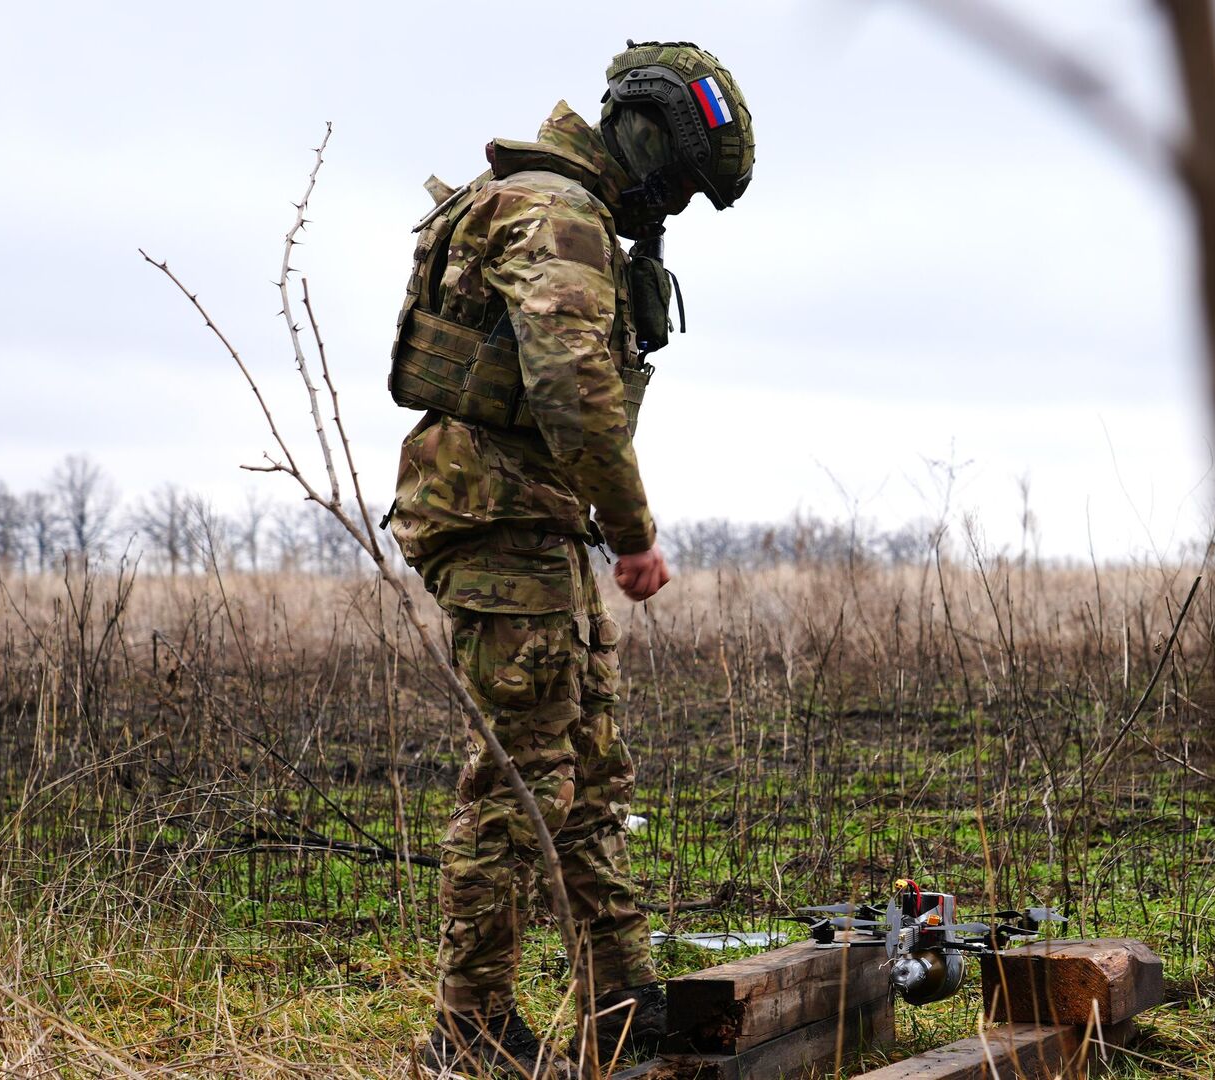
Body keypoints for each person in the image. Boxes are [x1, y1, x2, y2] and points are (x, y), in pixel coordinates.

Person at [385, 40, 755, 1079]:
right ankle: (467, 1033)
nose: (670, 209)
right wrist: (634, 532)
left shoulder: (560, 207)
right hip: (500, 518)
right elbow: (571, 391)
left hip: (535, 521)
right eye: (676, 183)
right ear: (644, 136)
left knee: (587, 769)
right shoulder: (555, 214)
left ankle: (622, 1004)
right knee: (520, 780)